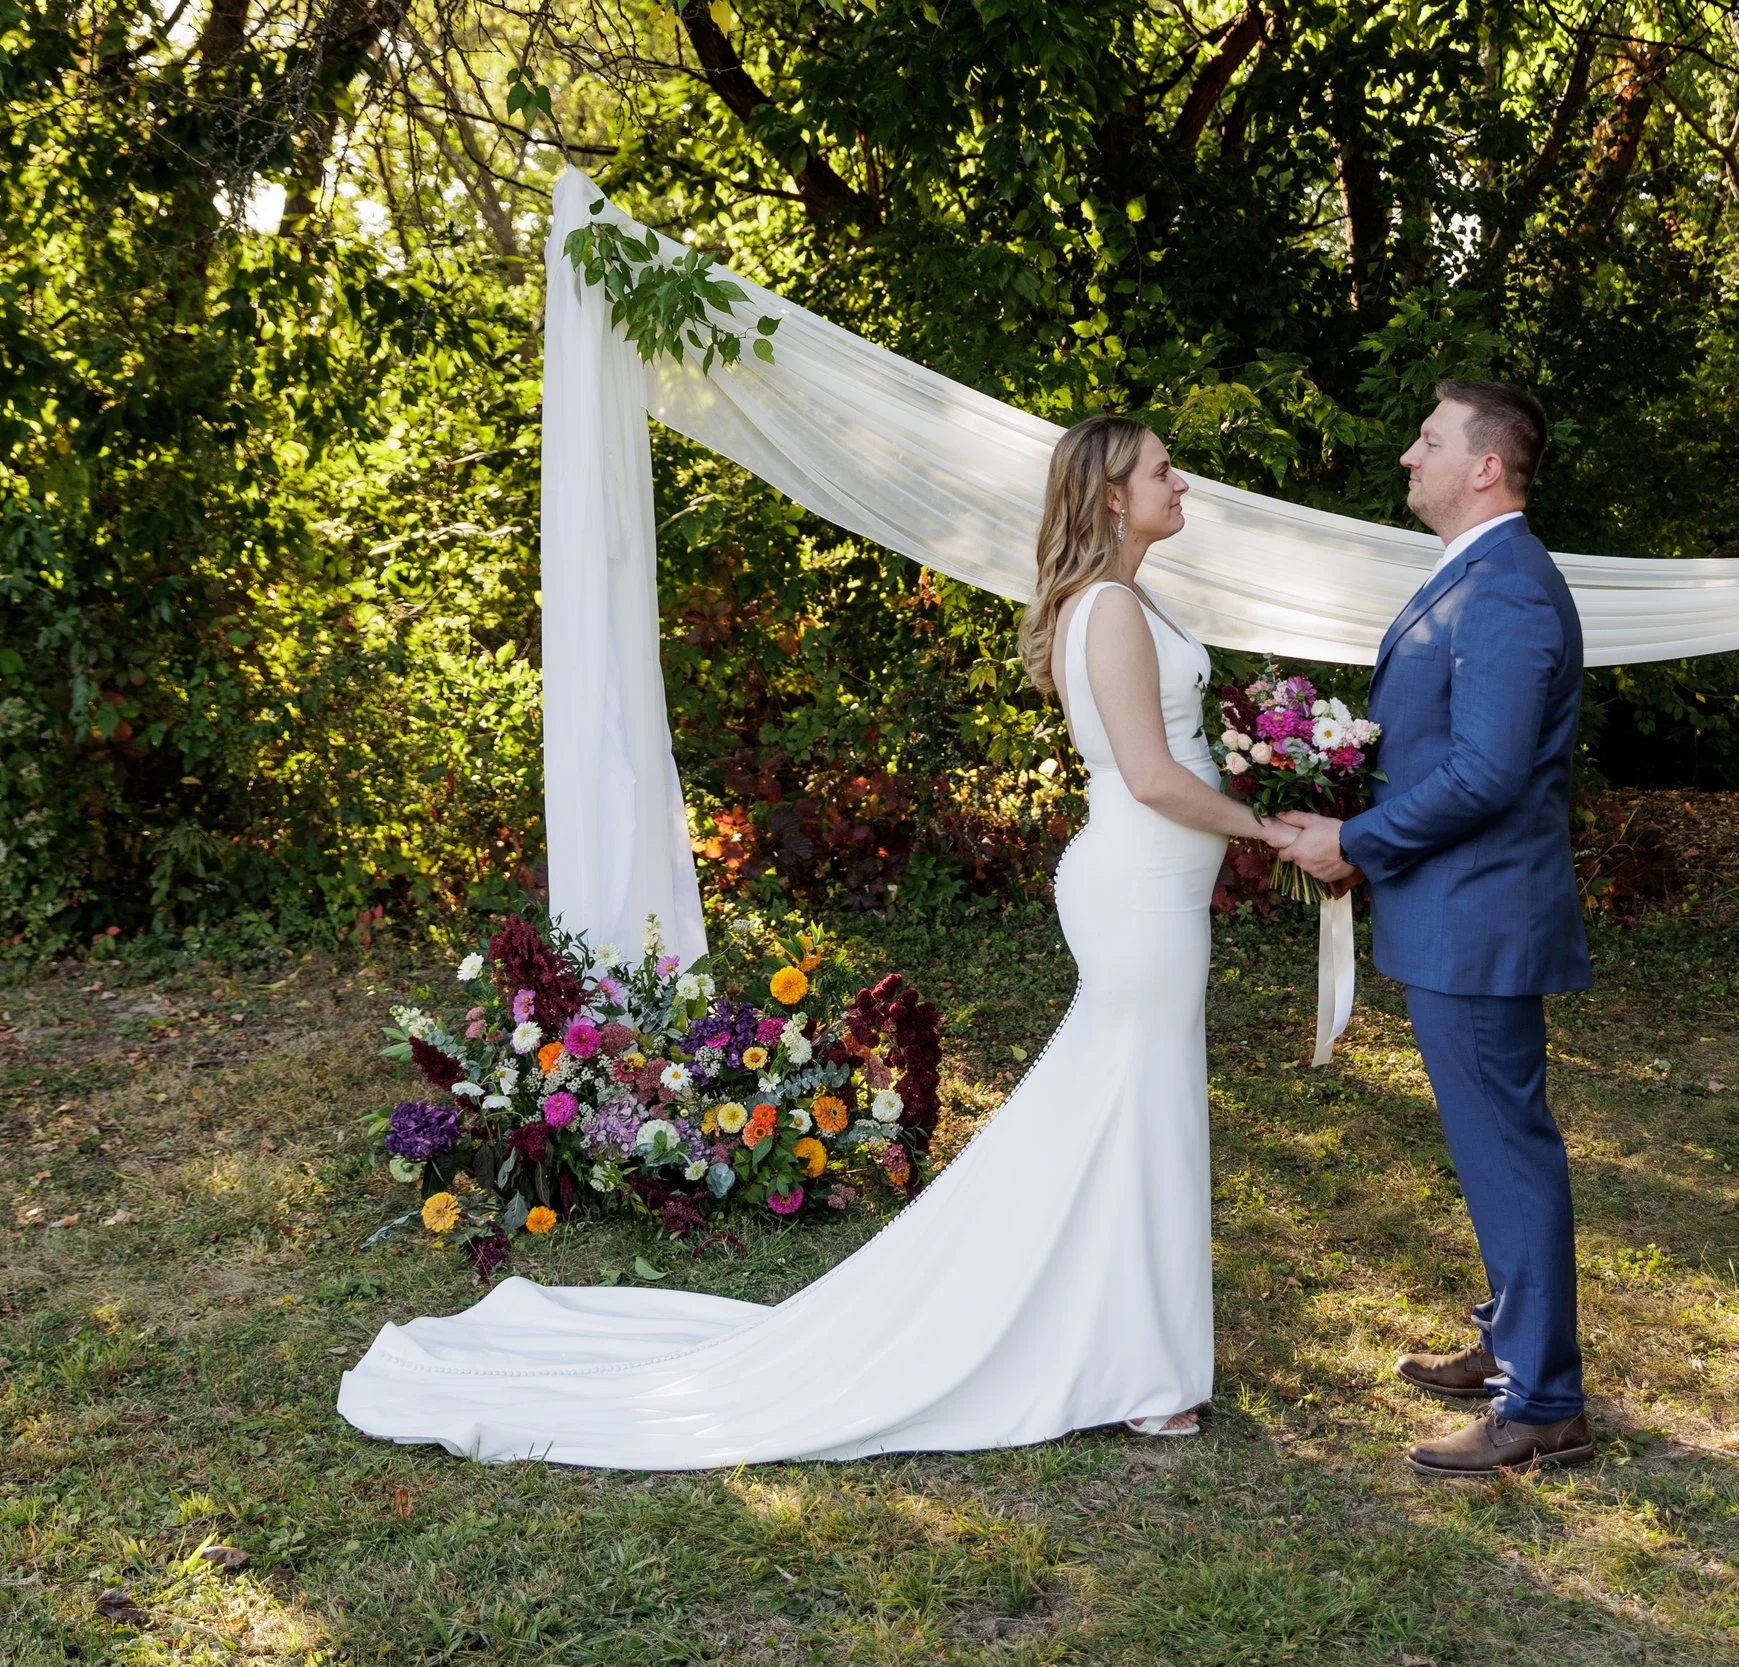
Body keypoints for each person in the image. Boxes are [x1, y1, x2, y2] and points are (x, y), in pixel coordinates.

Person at [335, 415, 1292, 1466]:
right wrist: (1276, 830)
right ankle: (1130, 1359)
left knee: (1127, 1105)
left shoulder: (1127, 597)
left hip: (1149, 884)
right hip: (1139, 886)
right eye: (1162, 468)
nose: (1180, 479)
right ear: (1112, 493)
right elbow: (1154, 776)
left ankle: (1124, 1343)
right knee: (1130, 1101)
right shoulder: (1107, 607)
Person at [1276, 380, 1594, 1477]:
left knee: (1507, 1149)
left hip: (1481, 915)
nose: (1408, 455)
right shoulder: (1475, 573)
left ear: (1485, 467)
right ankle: (1514, 1344)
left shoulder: (1504, 585)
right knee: (1490, 1145)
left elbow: (1489, 770)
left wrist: (1356, 839)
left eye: (1428, 440)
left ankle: (1544, 1401)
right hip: (1458, 908)